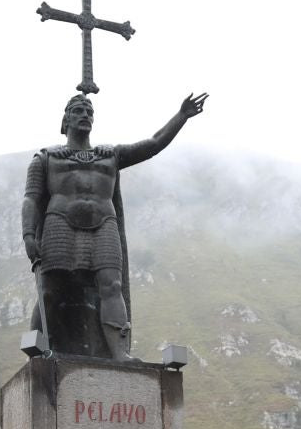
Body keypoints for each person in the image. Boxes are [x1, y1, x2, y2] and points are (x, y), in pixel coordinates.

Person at [20, 92, 206, 359]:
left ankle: (119, 352)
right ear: (65, 120)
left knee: (111, 286)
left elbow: (153, 144)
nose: (85, 115)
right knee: (50, 290)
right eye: (78, 110)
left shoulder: (110, 156)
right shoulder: (46, 158)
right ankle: (37, 352)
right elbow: (31, 198)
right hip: (59, 224)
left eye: (89, 112)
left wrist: (182, 116)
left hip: (103, 225)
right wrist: (28, 235)